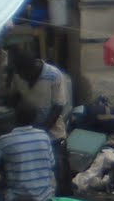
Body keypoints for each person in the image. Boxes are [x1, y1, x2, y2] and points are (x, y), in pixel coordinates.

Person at [7, 48, 72, 182]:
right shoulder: (18, 75)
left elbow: (58, 106)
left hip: (53, 134)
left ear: (31, 69)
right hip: (27, 135)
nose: (21, 77)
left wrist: (40, 132)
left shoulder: (54, 75)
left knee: (59, 173)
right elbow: (14, 98)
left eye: (23, 74)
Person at [0, 105, 57, 201]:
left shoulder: (5, 140)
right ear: (35, 118)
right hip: (45, 197)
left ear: (14, 117)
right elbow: (52, 163)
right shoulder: (43, 136)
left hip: (17, 200)